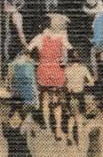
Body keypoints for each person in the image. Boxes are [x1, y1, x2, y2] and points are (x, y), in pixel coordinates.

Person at [28, 13, 71, 141]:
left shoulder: (39, 37)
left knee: (45, 99)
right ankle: (57, 130)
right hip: (57, 72)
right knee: (57, 101)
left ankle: (47, 127)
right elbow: (66, 57)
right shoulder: (62, 38)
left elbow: (28, 49)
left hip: (43, 71)